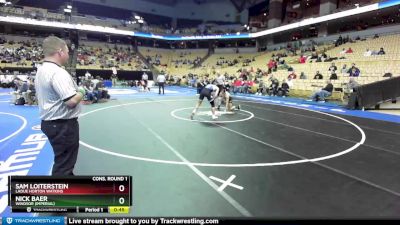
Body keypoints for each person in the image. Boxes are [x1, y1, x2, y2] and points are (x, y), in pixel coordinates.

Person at [35, 36, 85, 176]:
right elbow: (71, 102)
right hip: (62, 125)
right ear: (60, 52)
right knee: (64, 166)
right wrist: (82, 91)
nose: (68, 55)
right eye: (67, 52)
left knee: (63, 161)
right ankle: (61, 194)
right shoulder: (57, 72)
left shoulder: (42, 69)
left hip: (52, 123)